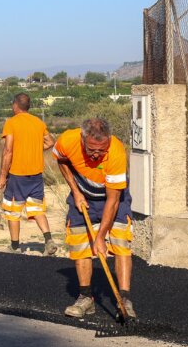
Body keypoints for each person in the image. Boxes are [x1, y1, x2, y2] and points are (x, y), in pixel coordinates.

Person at [54, 117, 136, 319]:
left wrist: (101, 237)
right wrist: (76, 192)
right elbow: (61, 159)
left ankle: (123, 300)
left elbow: (113, 200)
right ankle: (86, 299)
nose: (97, 155)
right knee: (80, 245)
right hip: (82, 196)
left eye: (102, 149)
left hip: (112, 198)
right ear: (83, 140)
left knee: (120, 244)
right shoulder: (68, 140)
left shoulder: (116, 152)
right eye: (92, 150)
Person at [0, 93, 56, 255]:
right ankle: (48, 240)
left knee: (13, 211)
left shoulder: (11, 123)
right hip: (36, 174)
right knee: (37, 209)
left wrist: (2, 176)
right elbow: (50, 142)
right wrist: (36, 149)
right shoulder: (38, 122)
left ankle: (15, 247)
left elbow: (8, 151)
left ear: (15, 105)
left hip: (17, 175)